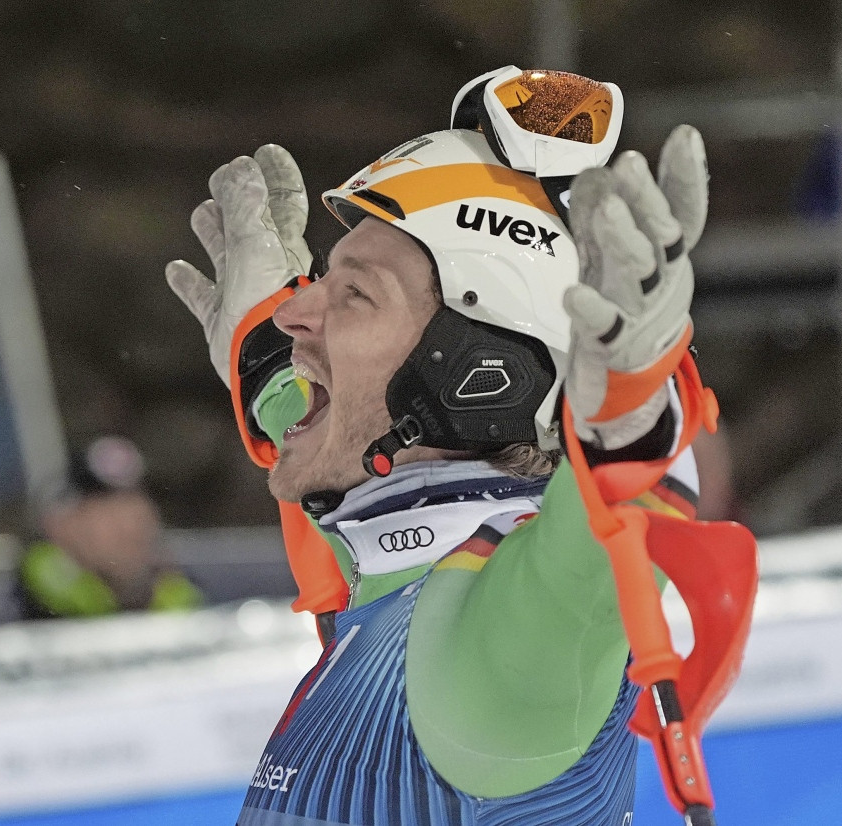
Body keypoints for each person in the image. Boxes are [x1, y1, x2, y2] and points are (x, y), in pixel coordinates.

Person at [166, 67, 738, 825]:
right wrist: (273, 369)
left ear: (476, 374)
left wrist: (630, 403)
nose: (294, 314)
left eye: (355, 294)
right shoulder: (398, 562)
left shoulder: (488, 654)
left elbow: (592, 555)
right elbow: (355, 491)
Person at [17, 435, 201, 619]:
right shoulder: (35, 595)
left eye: (136, 514)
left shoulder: (175, 594)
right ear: (61, 526)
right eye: (110, 516)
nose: (129, 529)